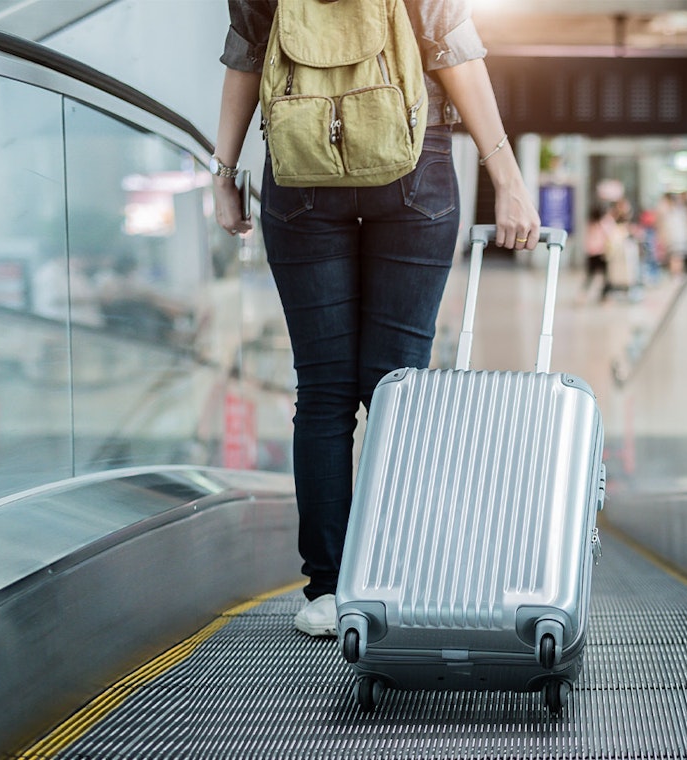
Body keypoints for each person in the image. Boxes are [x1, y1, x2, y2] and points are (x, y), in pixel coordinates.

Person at [211, 0, 541, 637]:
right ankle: (394, 577)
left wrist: (225, 175)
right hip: (412, 157)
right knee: (398, 392)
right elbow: (455, 51)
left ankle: (328, 590)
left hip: (301, 163)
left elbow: (247, 53)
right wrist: (508, 179)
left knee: (325, 390)